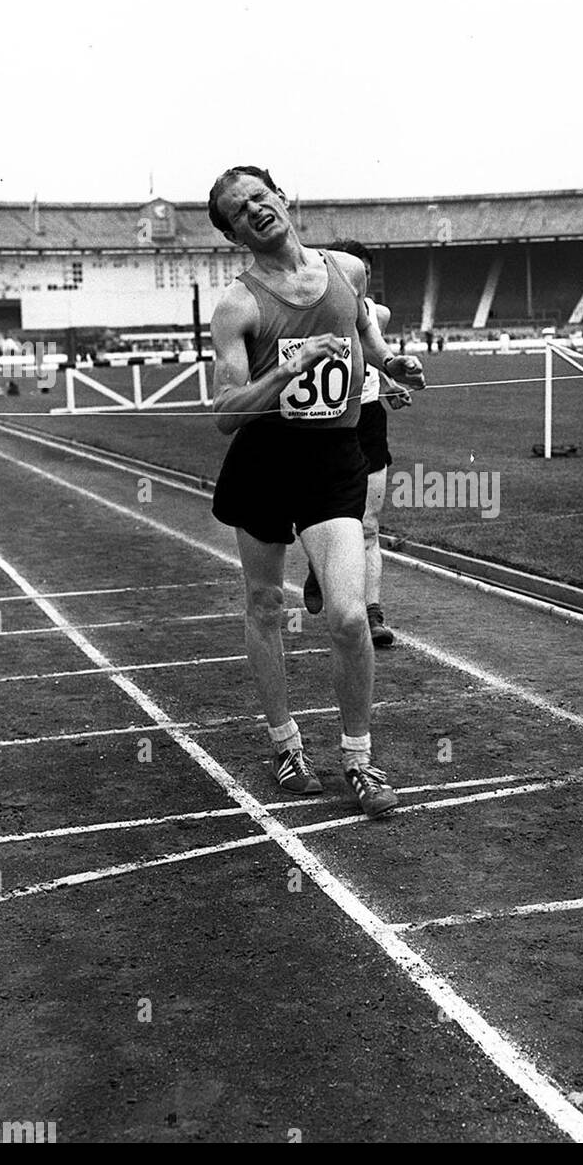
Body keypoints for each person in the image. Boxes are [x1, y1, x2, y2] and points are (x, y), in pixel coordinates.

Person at [207, 165, 425, 818]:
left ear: (281, 195)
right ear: (232, 233)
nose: (255, 210)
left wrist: (389, 361)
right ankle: (286, 745)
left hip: (334, 457)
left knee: (349, 614)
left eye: (259, 196)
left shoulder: (348, 271)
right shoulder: (237, 307)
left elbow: (363, 328)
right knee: (265, 605)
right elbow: (226, 409)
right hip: (265, 460)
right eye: (239, 210)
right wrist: (288, 369)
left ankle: (359, 760)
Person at [302, 240, 411, 647]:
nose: (356, 284)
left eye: (363, 276)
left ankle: (373, 613)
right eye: (350, 275)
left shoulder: (377, 314)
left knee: (368, 524)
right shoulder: (312, 310)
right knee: (319, 516)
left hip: (367, 419)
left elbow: (371, 353)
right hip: (322, 423)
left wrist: (390, 383)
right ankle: (319, 563)